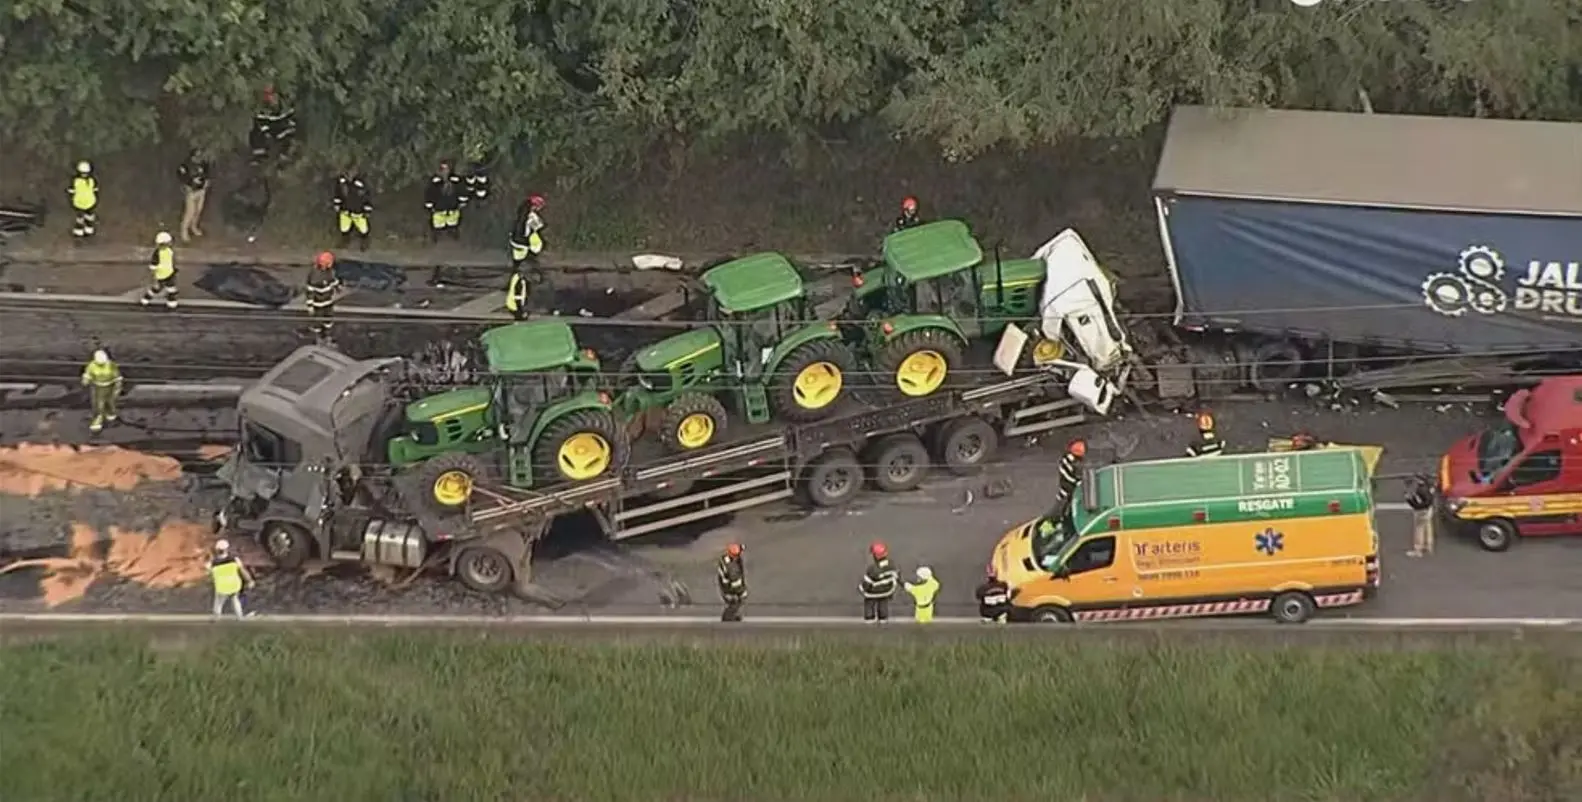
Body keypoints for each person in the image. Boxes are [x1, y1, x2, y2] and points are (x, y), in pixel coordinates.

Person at [249, 86, 296, 165]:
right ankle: (259, 156)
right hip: (267, 128)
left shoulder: (286, 105)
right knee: (256, 133)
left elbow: (291, 121)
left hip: (282, 128)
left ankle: (284, 154)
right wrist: (266, 132)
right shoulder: (260, 108)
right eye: (267, 95)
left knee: (289, 133)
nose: (271, 98)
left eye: (272, 95)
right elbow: (259, 122)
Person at [209, 539, 255, 619]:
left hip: (221, 587)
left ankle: (216, 617)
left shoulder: (213, 563)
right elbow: (242, 570)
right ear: (227, 549)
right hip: (234, 585)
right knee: (235, 600)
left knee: (218, 603)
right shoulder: (234, 559)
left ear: (217, 550)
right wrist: (249, 580)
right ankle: (240, 617)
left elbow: (211, 574)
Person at [80, 349, 122, 434]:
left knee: (111, 402)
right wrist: (85, 380)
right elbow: (88, 374)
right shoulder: (92, 365)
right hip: (97, 388)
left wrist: (118, 387)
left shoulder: (111, 365)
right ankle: (97, 420)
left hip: (110, 387)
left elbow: (117, 377)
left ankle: (111, 414)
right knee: (98, 404)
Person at [424, 159, 466, 242]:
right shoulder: (434, 180)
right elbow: (429, 192)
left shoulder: (456, 179)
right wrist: (429, 204)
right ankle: (435, 235)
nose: (445, 171)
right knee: (437, 222)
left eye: (447, 168)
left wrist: (462, 201)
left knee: (454, 221)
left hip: (453, 205)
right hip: (439, 206)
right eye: (443, 168)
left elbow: (461, 189)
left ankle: (453, 232)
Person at [305, 251, 341, 342]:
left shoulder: (329, 272)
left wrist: (337, 287)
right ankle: (317, 338)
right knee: (317, 321)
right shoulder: (315, 276)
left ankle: (327, 335)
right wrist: (310, 306)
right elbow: (310, 291)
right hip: (318, 303)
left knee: (328, 319)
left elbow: (332, 280)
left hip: (328, 300)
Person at [859, 542, 900, 623]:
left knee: (869, 603)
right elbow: (896, 576)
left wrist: (862, 589)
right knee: (883, 603)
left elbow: (867, 583)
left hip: (873, 592)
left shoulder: (872, 569)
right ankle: (883, 618)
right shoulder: (892, 565)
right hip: (886, 590)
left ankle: (869, 619)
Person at [333, 168, 373, 250]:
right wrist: (337, 204)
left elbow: (367, 196)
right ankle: (345, 242)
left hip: (357, 210)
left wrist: (367, 209)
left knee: (363, 229)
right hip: (345, 209)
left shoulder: (360, 183)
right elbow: (337, 193)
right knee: (344, 228)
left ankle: (364, 243)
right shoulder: (341, 181)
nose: (348, 174)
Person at [177, 149, 211, 242]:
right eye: (197, 156)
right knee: (190, 212)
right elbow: (181, 177)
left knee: (198, 210)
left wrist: (206, 183)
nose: (199, 158)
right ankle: (184, 230)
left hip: (201, 190)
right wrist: (189, 183)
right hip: (191, 191)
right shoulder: (186, 165)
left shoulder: (203, 163)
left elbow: (207, 174)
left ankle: (194, 226)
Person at [140, 231, 178, 309]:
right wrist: (154, 279)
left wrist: (173, 268)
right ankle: (146, 298)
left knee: (171, 289)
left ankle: (171, 302)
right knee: (156, 289)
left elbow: (170, 261)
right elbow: (153, 266)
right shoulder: (157, 254)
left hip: (170, 273)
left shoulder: (169, 250)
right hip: (160, 275)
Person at [509, 194, 547, 270]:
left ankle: (517, 268)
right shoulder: (531, 216)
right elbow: (540, 226)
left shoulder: (520, 212)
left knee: (517, 261)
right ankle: (531, 263)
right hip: (523, 241)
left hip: (514, 240)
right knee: (536, 242)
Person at [1406, 474, 1436, 557]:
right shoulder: (1429, 487)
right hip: (1429, 510)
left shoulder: (1419, 491)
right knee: (1428, 527)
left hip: (1421, 511)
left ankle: (1418, 550)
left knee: (1419, 529)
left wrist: (1409, 500)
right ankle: (1428, 546)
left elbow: (1417, 503)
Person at [68, 160, 98, 242]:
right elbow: (95, 190)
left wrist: (71, 198)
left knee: (80, 216)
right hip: (90, 202)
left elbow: (71, 191)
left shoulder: (75, 180)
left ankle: (79, 231)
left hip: (79, 202)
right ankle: (89, 229)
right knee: (89, 215)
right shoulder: (92, 180)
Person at [716, 543, 747, 622]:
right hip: (729, 589)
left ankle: (732, 615)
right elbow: (733, 582)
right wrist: (740, 591)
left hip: (731, 586)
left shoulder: (728, 559)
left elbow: (741, 547)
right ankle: (728, 618)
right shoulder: (730, 567)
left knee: (736, 601)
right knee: (734, 603)